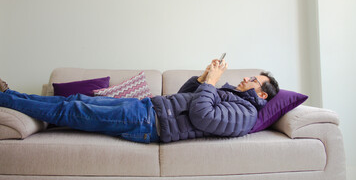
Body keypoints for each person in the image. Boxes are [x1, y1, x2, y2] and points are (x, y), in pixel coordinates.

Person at [0, 60, 279, 143]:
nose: (245, 79)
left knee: (71, 108)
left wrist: (210, 83)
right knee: (75, 99)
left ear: (262, 94)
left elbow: (203, 116)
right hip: (148, 108)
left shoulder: (245, 113)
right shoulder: (231, 94)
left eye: (253, 80)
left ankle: (4, 98)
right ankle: (10, 94)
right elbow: (184, 95)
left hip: (148, 123)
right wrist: (203, 77)